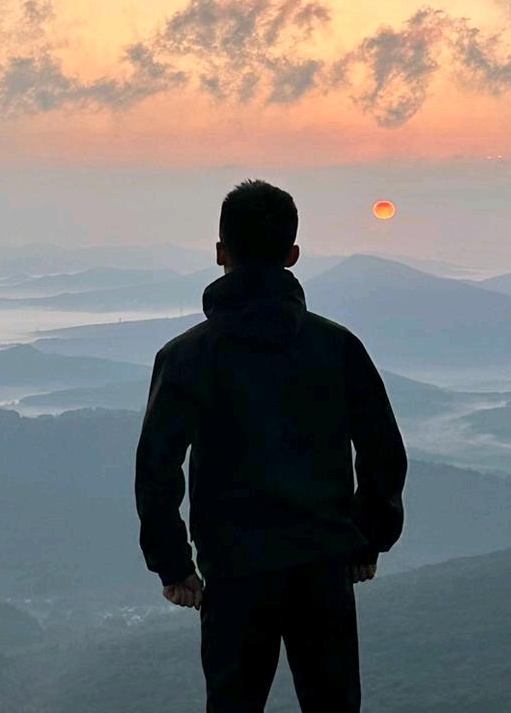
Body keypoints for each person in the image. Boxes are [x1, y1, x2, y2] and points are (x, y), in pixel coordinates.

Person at [134, 178, 407, 712]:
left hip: (234, 571)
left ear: (220, 253)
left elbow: (157, 466)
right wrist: (368, 536)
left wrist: (173, 563)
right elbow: (382, 449)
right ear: (293, 254)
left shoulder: (188, 356)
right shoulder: (337, 346)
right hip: (324, 565)